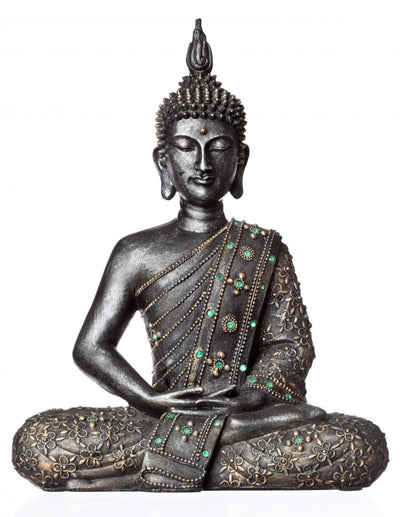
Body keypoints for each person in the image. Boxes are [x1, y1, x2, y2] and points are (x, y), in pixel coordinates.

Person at [12, 19, 388, 492]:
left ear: (241, 160)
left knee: (360, 444)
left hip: (241, 411)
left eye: (219, 148)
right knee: (38, 441)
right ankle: (209, 453)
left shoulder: (265, 249)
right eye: (187, 148)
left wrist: (248, 397)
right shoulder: (136, 250)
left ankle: (149, 469)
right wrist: (148, 399)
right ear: (164, 161)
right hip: (162, 413)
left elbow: (291, 347)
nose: (204, 164)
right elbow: (91, 348)